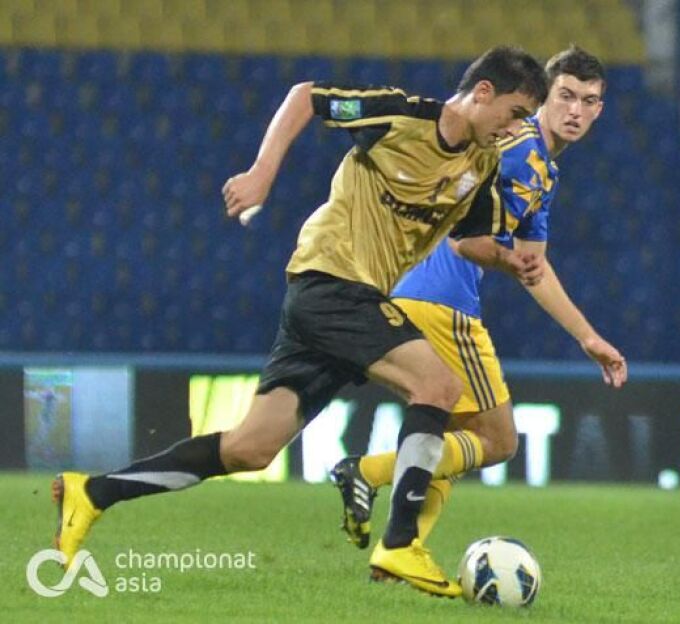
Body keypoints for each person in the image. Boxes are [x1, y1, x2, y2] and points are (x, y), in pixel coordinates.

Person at [51, 45, 549, 599]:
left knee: (250, 448)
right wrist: (261, 174)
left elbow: (471, 240)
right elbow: (304, 97)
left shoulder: (481, 165)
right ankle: (401, 542)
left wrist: (512, 261)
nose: (516, 129)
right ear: (483, 92)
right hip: (332, 281)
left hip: (340, 300)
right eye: (515, 113)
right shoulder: (400, 117)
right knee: (438, 386)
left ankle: (93, 493)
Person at [331, 45, 627, 563]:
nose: (575, 110)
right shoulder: (514, 145)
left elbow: (534, 269)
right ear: (543, 98)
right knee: (498, 440)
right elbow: (461, 230)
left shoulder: (543, 172)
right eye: (565, 96)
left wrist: (587, 336)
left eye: (588, 101)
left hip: (405, 291)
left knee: (455, 437)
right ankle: (368, 472)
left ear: (600, 109)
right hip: (440, 297)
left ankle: (399, 554)